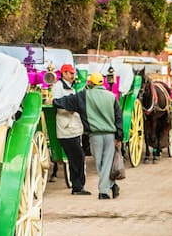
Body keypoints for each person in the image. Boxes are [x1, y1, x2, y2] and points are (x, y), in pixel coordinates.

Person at [53, 72, 123, 200]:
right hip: (110, 134)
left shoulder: (85, 95)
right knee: (107, 162)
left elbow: (65, 102)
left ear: (90, 83)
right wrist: (119, 136)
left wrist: (55, 101)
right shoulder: (112, 97)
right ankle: (111, 186)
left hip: (95, 135)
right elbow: (118, 117)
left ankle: (103, 192)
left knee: (99, 164)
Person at [51, 63, 89, 195]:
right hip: (66, 129)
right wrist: (74, 103)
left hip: (73, 128)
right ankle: (77, 186)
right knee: (77, 157)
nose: (73, 76)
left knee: (77, 157)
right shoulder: (58, 87)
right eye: (71, 73)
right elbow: (56, 102)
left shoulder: (70, 87)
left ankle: (78, 186)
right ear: (64, 74)